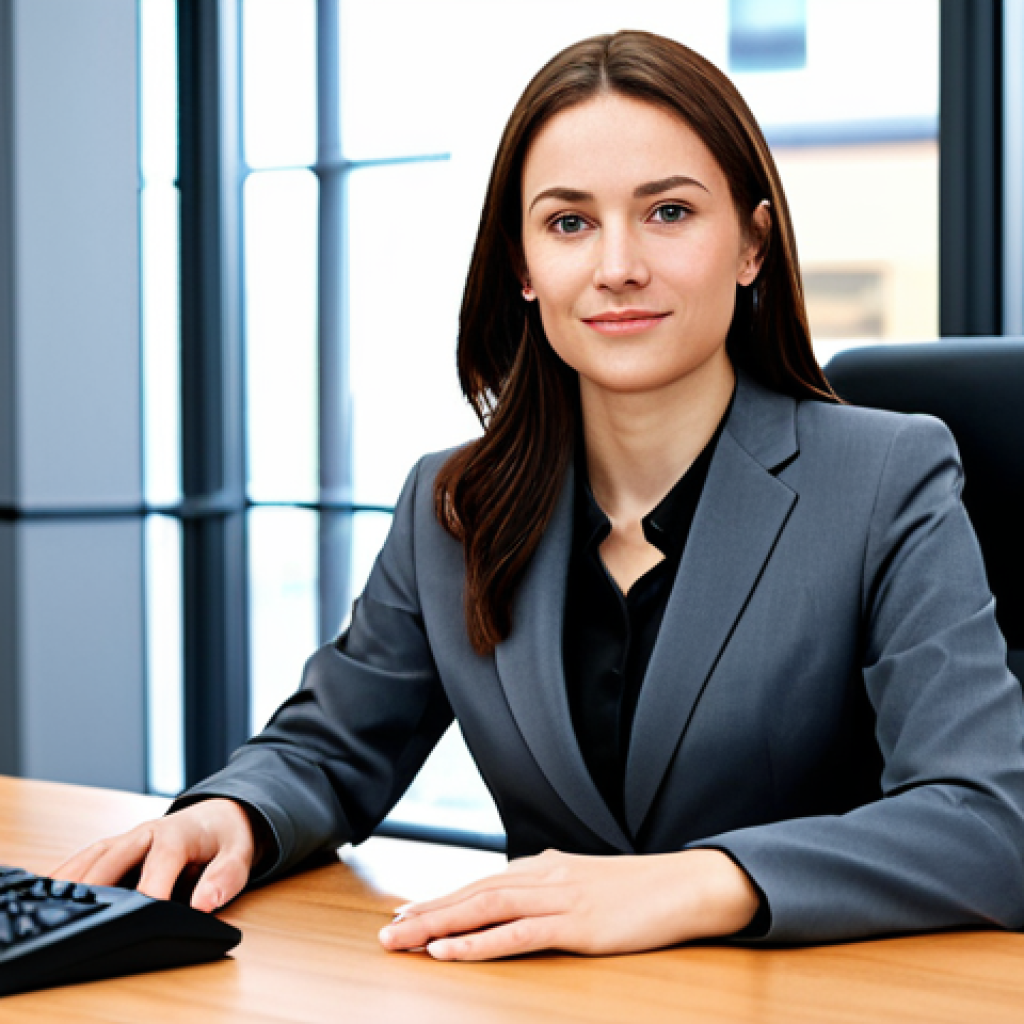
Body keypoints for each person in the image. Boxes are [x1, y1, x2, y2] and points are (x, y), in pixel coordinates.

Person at [58, 30, 1024, 959]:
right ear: (523, 266)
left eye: (669, 212)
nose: (618, 267)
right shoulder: (455, 504)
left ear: (752, 245)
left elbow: (987, 823)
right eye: (570, 223)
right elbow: (328, 749)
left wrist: (694, 883)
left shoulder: (885, 477)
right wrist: (233, 812)